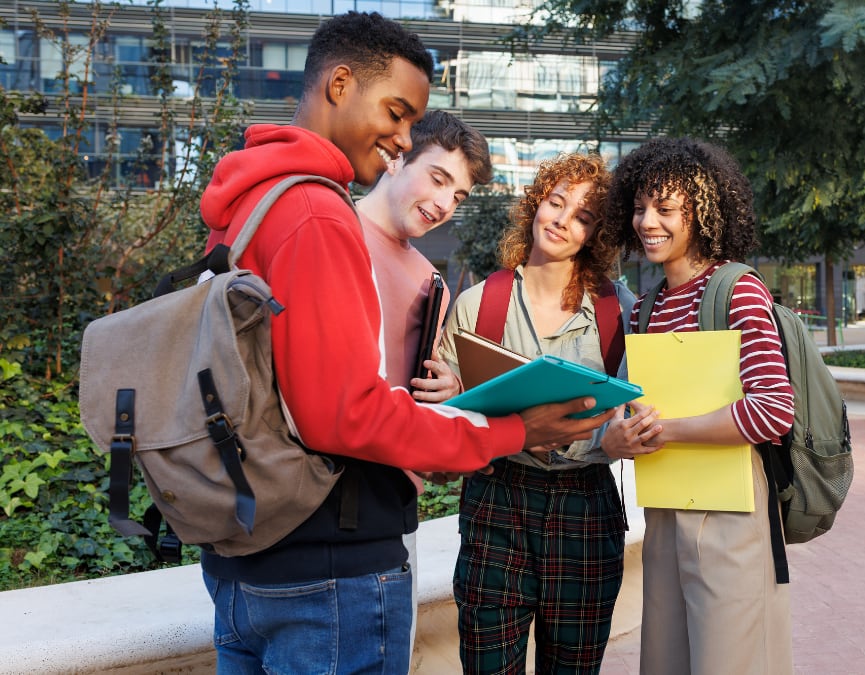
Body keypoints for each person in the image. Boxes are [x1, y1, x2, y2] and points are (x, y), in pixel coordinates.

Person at [197, 13, 613, 674]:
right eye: (396, 116)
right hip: (329, 555)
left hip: (249, 547)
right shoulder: (318, 216)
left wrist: (454, 408)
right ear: (339, 85)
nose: (398, 138)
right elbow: (344, 414)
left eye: (460, 193)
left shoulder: (259, 205)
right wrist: (512, 430)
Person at [600, 137, 797, 675]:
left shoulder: (737, 290)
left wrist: (666, 431)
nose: (647, 222)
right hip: (665, 512)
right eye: (640, 207)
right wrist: (619, 434)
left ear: (704, 212)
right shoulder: (644, 308)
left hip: (732, 513)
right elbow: (627, 404)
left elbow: (772, 410)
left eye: (665, 209)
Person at [438, 153, 636, 674]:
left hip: (585, 505)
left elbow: (640, 408)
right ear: (535, 204)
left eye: (583, 217)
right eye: (556, 202)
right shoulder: (477, 305)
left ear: (596, 235)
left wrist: (621, 437)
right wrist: (448, 394)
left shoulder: (620, 311)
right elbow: (445, 419)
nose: (562, 220)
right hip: (497, 500)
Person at [355, 109, 494, 662]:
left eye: (457, 196)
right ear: (396, 159)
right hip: (314, 502)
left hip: (393, 507)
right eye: (438, 179)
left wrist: (449, 390)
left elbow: (420, 390)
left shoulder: (430, 281)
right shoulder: (330, 233)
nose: (443, 204)